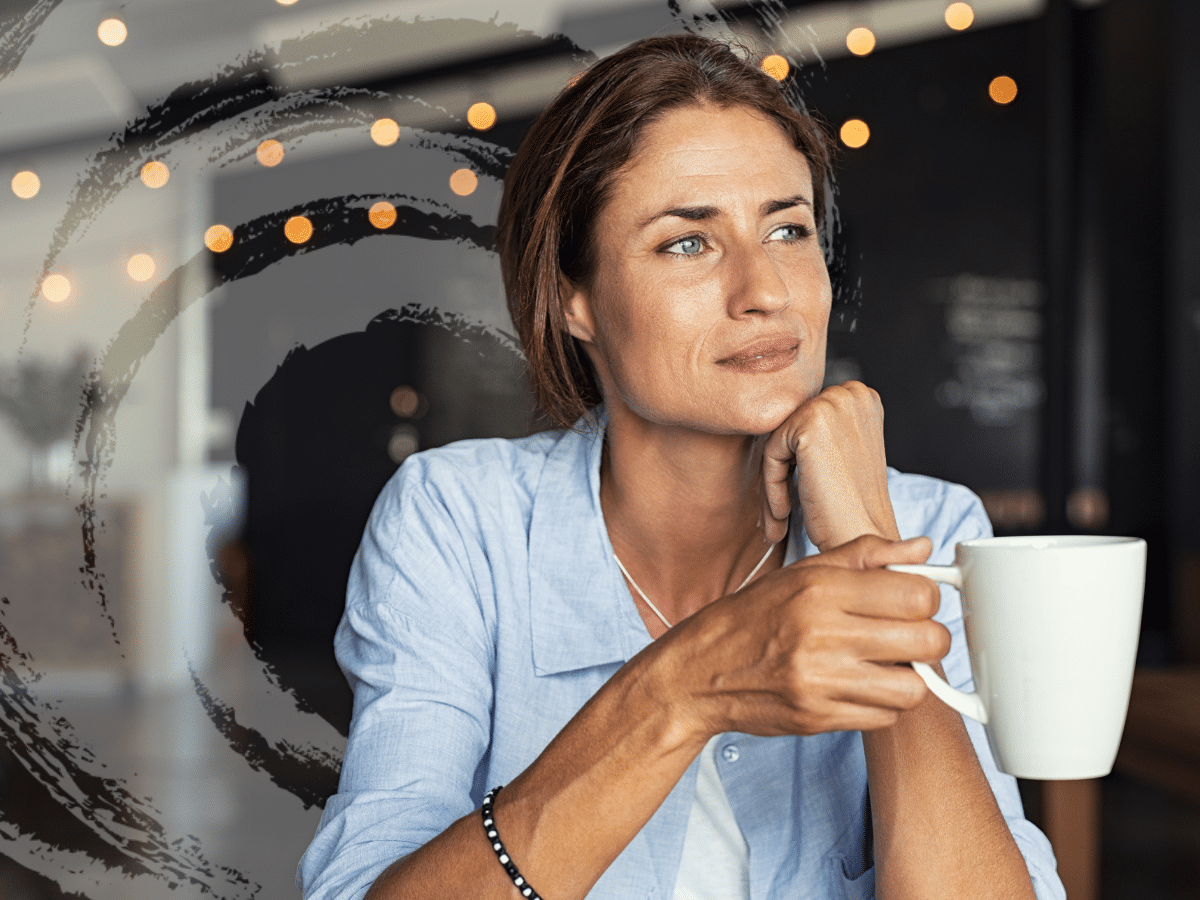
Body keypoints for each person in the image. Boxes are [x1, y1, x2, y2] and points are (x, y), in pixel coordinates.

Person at [298, 34, 1064, 900]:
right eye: (687, 244)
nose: (765, 289)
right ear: (571, 298)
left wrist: (863, 534)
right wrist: (685, 688)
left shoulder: (933, 528)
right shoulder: (459, 521)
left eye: (788, 229)